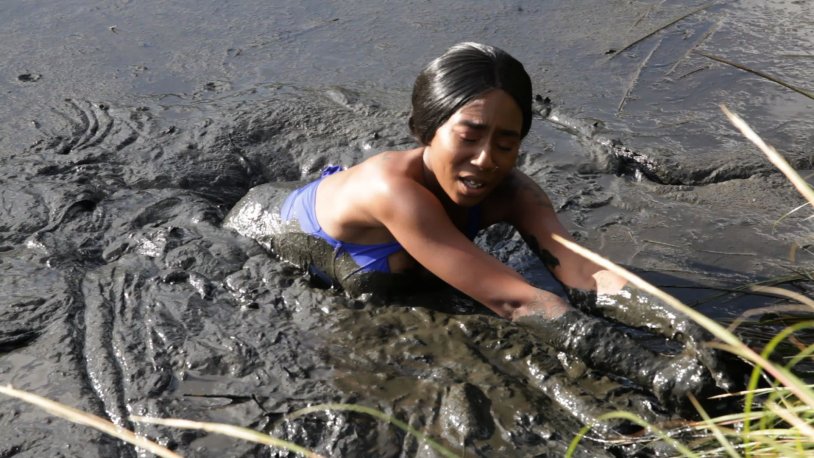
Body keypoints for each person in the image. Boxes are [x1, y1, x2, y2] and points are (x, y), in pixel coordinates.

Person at [225, 42, 744, 413]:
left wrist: (694, 331)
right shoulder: (392, 191)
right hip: (259, 230)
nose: (485, 160)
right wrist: (652, 372)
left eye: (505, 141)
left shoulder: (517, 193)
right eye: (468, 136)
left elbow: (583, 273)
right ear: (425, 129)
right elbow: (515, 300)